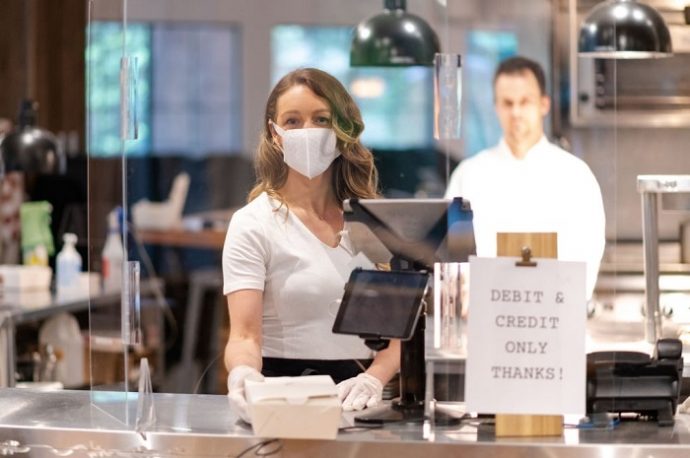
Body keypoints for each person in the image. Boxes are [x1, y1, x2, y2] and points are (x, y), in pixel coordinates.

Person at [222, 68, 400, 423]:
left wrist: (373, 378)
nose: (308, 131)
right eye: (293, 121)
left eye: (321, 119)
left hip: (366, 406)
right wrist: (242, 376)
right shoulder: (253, 224)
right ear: (275, 134)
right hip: (284, 403)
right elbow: (244, 336)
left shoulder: (373, 221)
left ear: (342, 131)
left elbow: (398, 335)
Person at [445, 56, 605, 299]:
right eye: (507, 103)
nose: (516, 112)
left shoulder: (575, 176)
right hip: (482, 324)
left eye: (525, 101)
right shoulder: (468, 175)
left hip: (555, 321)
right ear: (496, 107)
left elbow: (587, 257)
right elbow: (450, 258)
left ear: (544, 104)